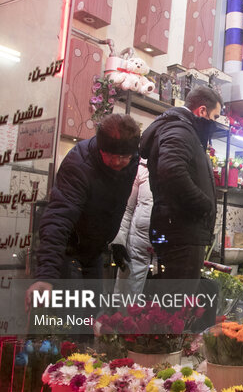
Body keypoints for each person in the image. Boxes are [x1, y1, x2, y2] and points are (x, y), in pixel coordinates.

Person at [25, 113, 140, 308]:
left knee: (90, 315)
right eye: (111, 156)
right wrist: (46, 275)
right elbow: (58, 217)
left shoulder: (133, 160)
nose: (118, 162)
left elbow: (116, 207)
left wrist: (117, 240)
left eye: (124, 157)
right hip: (67, 251)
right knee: (64, 319)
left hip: (94, 250)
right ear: (100, 147)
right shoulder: (79, 165)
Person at [139, 86, 222, 281]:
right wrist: (203, 204)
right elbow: (171, 171)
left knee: (175, 302)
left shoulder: (183, 129)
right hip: (182, 232)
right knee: (177, 306)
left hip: (180, 230)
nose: (215, 123)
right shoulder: (180, 129)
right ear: (202, 111)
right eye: (215, 117)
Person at [111, 159, 156, 295]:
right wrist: (118, 242)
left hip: (167, 246)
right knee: (126, 294)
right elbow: (126, 208)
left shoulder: (179, 170)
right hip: (137, 244)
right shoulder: (141, 169)